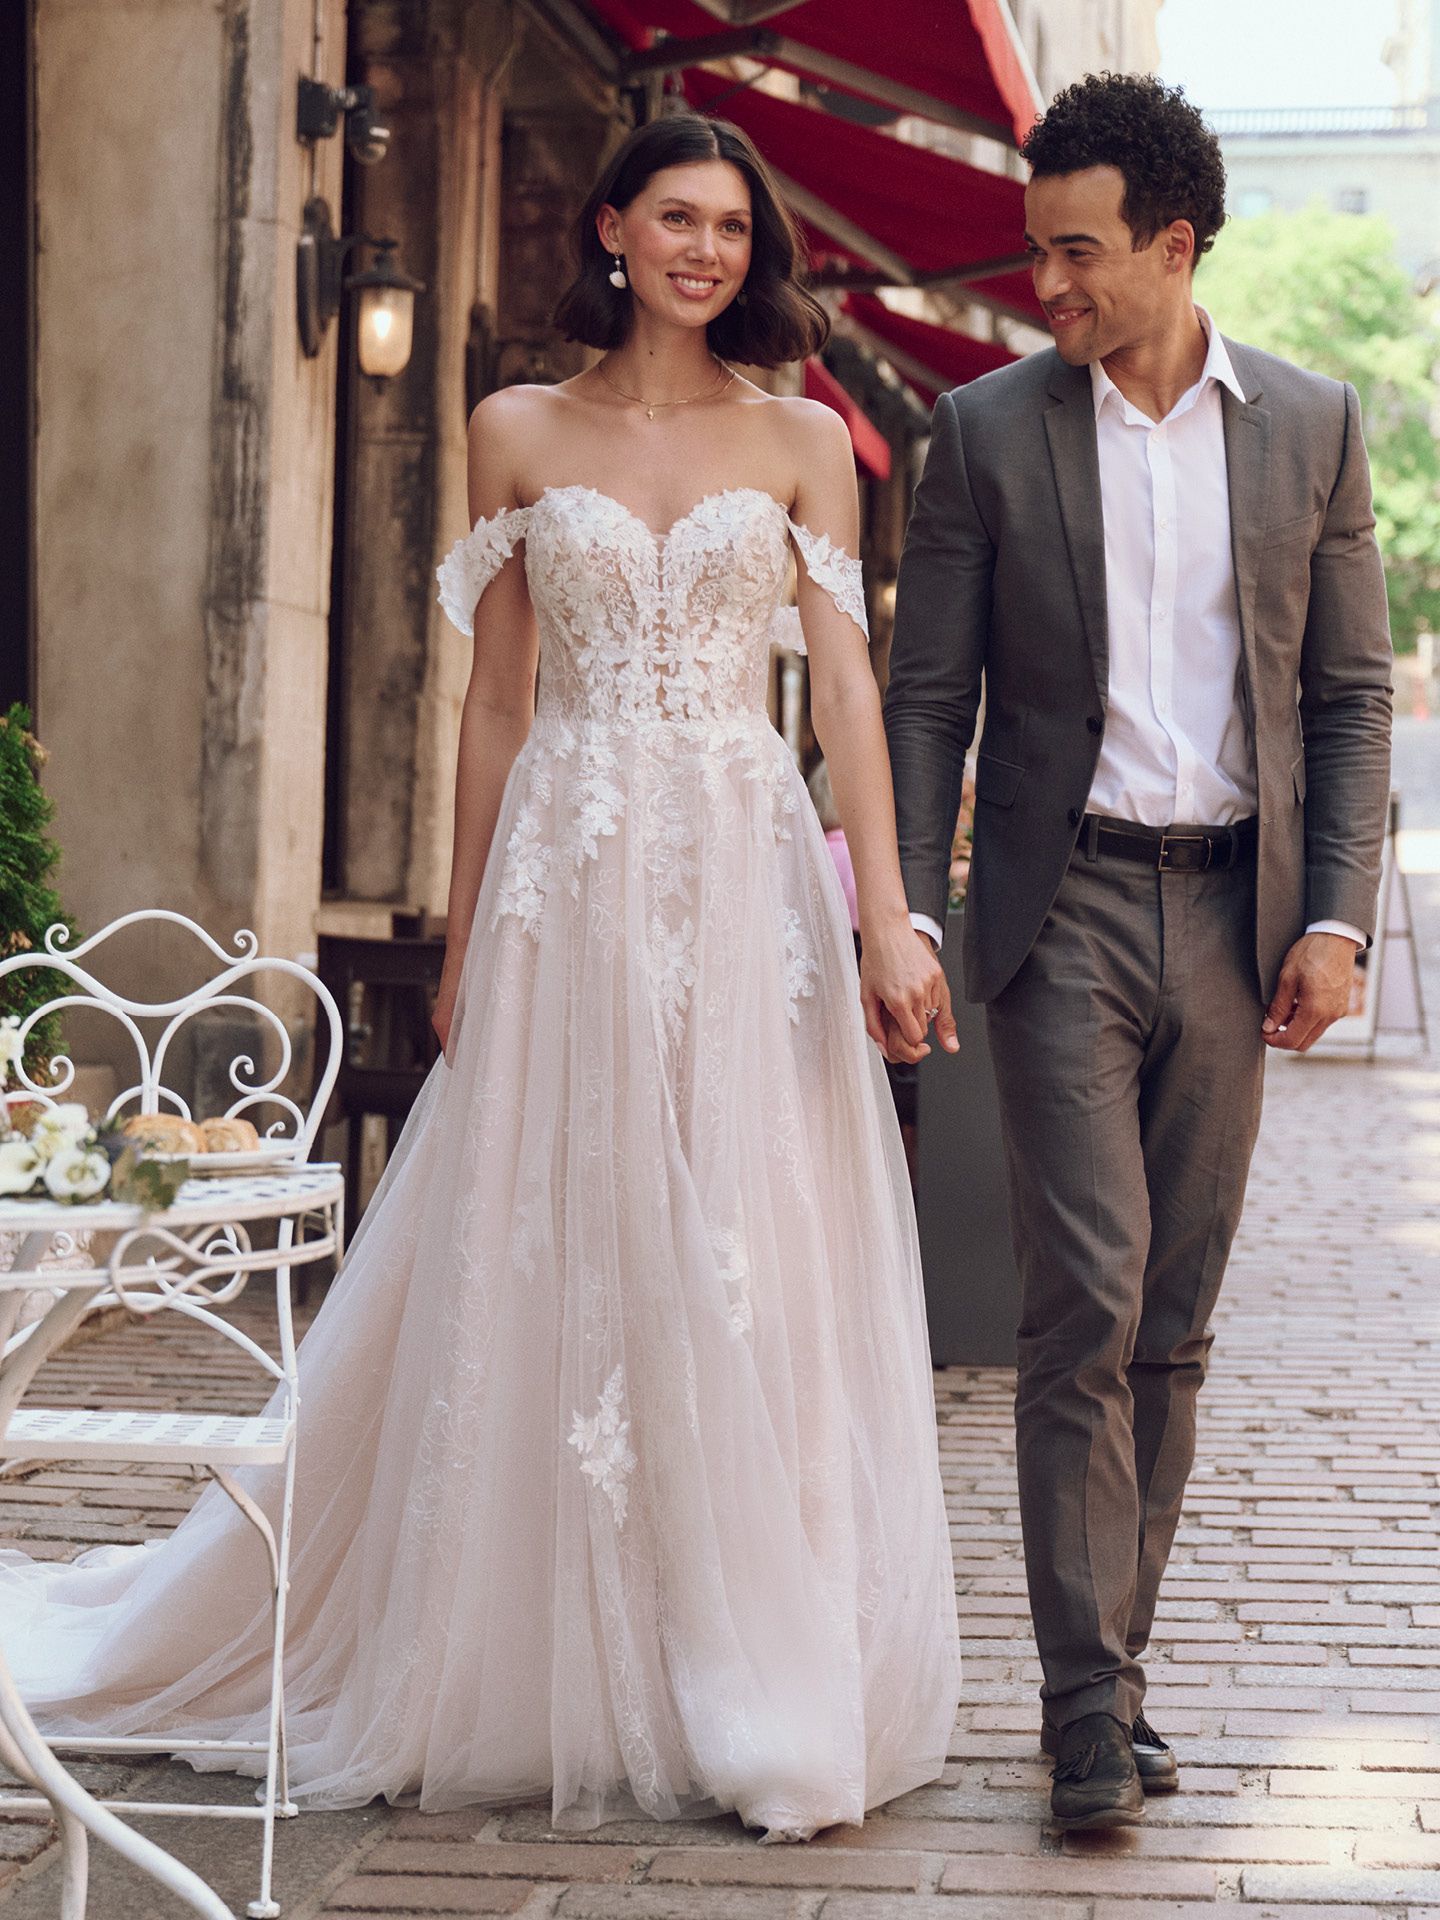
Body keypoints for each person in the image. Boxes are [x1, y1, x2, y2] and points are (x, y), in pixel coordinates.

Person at [0, 112, 960, 1843]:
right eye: (678, 218)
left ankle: (753, 1656)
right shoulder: (514, 427)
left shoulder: (805, 437)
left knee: (746, 1231)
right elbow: (497, 700)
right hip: (568, 879)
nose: (708, 250)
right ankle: (543, 1647)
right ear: (611, 229)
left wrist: (885, 916)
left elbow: (847, 700)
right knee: (571, 1225)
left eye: (733, 228)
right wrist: (460, 930)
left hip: (743, 875)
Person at [877, 74, 1392, 1830]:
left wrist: (1337, 915)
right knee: (1086, 1296)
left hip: (1238, 920)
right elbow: (928, 697)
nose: (1046, 286)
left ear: (1175, 247)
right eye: (1036, 252)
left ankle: (1121, 1667)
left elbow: (1348, 694)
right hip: (1065, 908)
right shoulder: (985, 431)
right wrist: (916, 909)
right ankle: (1085, 1707)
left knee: (1172, 1316)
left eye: (1076, 252)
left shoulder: (1313, 426)